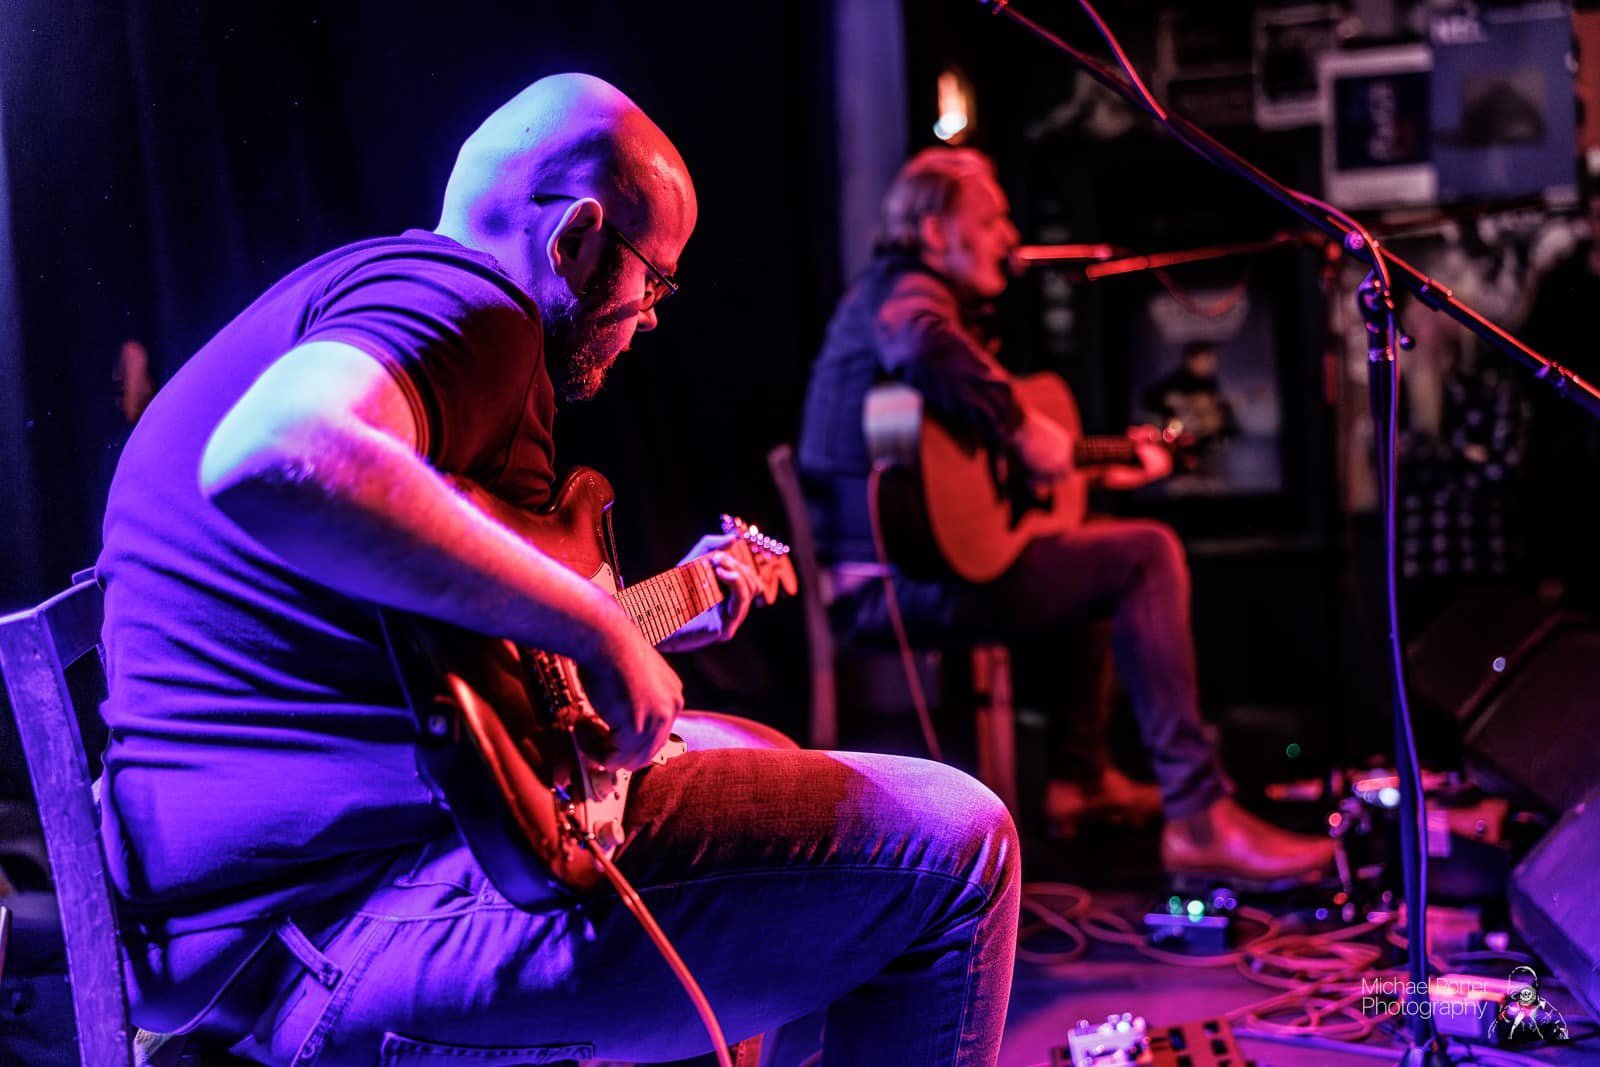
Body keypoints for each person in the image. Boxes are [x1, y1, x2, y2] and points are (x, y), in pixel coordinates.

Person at [97, 75, 1020, 1066]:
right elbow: (278, 452)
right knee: (962, 846)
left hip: (234, 938)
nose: (650, 317)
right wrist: (596, 627)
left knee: (747, 747)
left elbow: (415, 645)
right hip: (336, 931)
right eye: (653, 280)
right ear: (577, 239)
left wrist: (627, 618)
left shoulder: (354, 296)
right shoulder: (465, 305)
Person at [797, 146, 1334, 886]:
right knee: (1146, 555)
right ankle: (1200, 819)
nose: (1011, 236)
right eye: (992, 220)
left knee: (1098, 548)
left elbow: (959, 468)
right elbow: (923, 344)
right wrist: (1021, 427)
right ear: (934, 231)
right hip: (887, 590)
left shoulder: (909, 301)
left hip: (918, 574)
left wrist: (1090, 461)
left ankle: (1079, 777)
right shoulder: (905, 295)